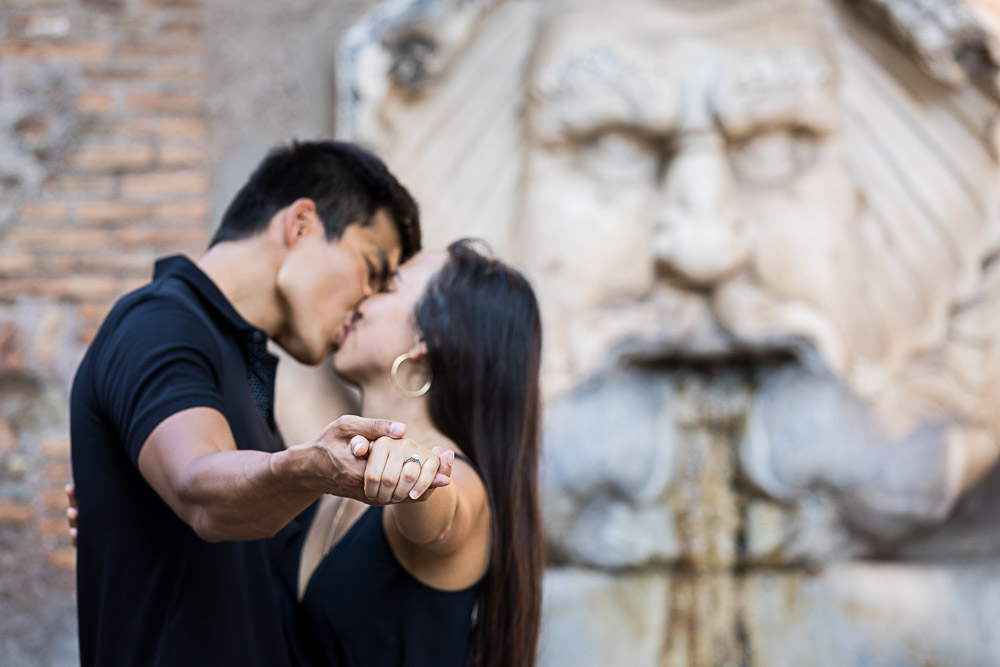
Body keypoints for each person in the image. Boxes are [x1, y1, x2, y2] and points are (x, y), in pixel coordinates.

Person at [69, 140, 451, 667]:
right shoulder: (160, 324)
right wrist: (309, 468)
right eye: (371, 268)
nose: (367, 301)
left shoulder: (238, 360)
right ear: (300, 225)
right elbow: (199, 486)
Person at [276, 240, 545, 667]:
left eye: (387, 286)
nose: (362, 298)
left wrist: (417, 478)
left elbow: (443, 512)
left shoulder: (459, 481)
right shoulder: (344, 464)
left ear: (428, 336)